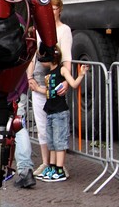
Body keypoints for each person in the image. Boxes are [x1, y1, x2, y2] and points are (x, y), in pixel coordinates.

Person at [28, 0, 74, 177]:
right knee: (42, 124)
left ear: (59, 10)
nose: (51, 12)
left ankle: (58, 166)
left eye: (54, 9)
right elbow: (32, 56)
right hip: (39, 80)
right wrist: (29, 76)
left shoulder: (64, 30)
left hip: (54, 80)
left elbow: (67, 57)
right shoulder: (39, 30)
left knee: (56, 124)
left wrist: (66, 80)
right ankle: (46, 162)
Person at [34, 46, 88, 182]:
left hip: (60, 111)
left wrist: (81, 74)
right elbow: (48, 91)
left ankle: (59, 168)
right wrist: (37, 88)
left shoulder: (62, 70)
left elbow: (73, 84)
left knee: (59, 141)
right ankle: (52, 167)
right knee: (51, 141)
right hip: (50, 111)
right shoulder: (48, 74)